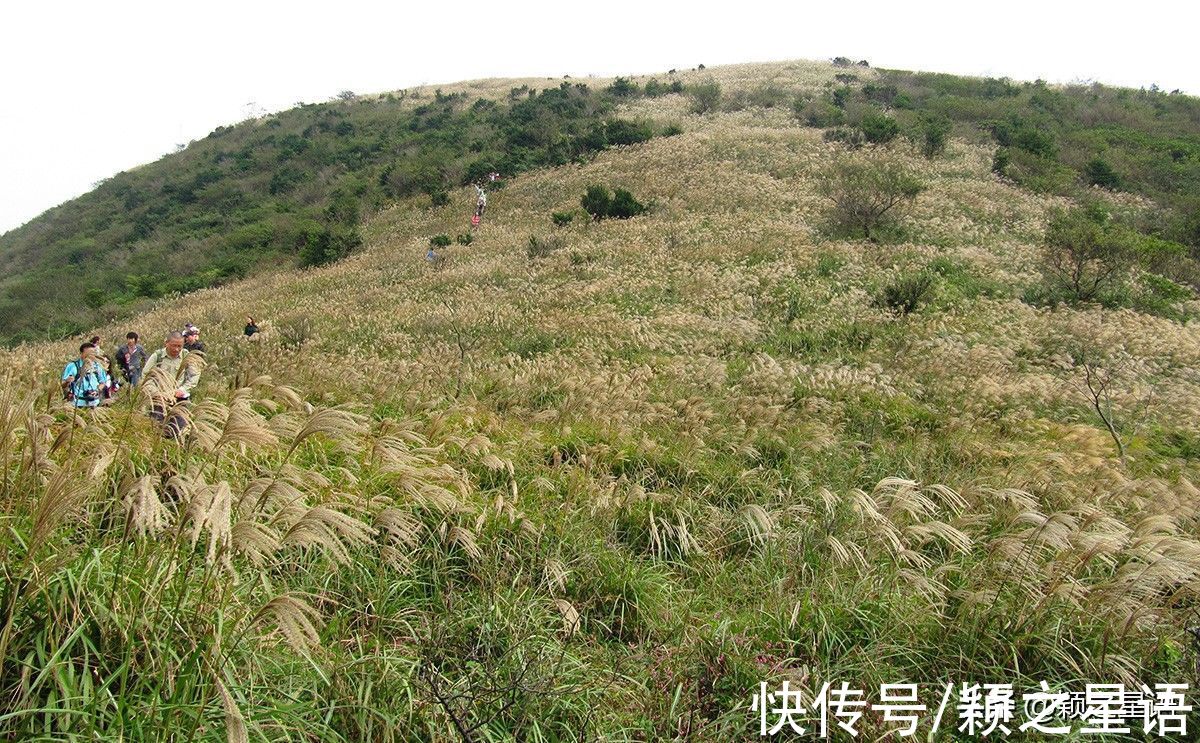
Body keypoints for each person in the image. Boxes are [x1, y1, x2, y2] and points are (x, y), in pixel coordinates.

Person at [142, 331, 201, 439]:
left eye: (180, 346)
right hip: (159, 399)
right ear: (166, 343)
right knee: (156, 429)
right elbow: (146, 376)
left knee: (179, 430)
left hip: (179, 398)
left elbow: (195, 375)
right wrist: (156, 393)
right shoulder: (157, 356)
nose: (177, 349)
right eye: (174, 345)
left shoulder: (186, 356)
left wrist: (182, 389)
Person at [61, 343, 111, 409]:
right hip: (77, 403)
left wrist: (97, 390)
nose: (90, 356)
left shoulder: (97, 366)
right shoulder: (73, 366)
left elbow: (103, 382)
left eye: (93, 353)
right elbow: (63, 385)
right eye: (88, 354)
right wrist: (67, 381)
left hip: (94, 402)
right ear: (81, 353)